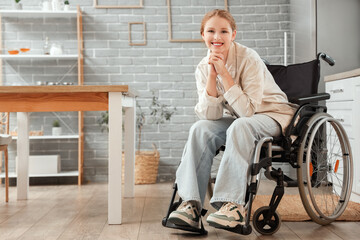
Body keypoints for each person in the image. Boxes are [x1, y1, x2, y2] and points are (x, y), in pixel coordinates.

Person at [167, 9, 296, 230]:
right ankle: (190, 204)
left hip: (272, 115)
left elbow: (248, 112)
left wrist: (224, 74)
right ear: (203, 35)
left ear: (233, 34)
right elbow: (211, 115)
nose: (217, 37)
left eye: (223, 31)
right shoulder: (202, 67)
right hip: (240, 120)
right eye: (211, 31)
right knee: (200, 128)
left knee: (241, 124)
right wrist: (211, 75)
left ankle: (232, 205)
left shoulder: (249, 58)